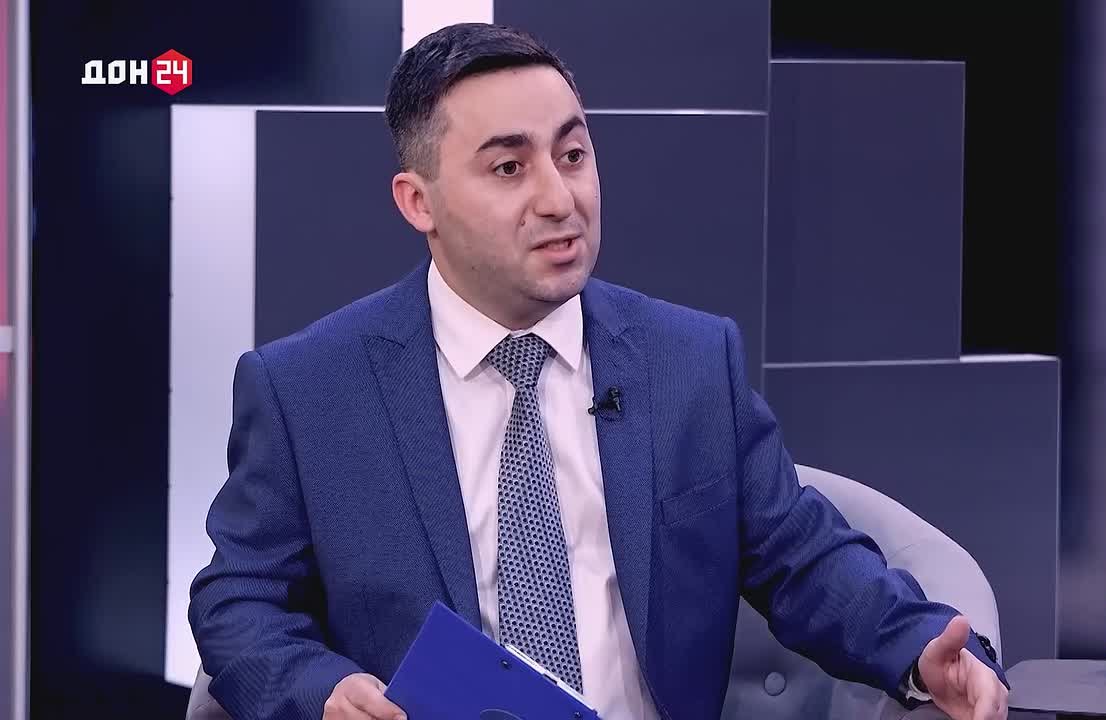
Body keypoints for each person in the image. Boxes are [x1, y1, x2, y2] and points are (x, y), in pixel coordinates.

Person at [189, 22, 1010, 720]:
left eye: (573, 154)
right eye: (509, 168)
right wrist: (322, 691)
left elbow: (803, 557)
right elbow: (237, 599)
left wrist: (919, 648)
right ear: (418, 201)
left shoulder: (689, 362)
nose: (560, 198)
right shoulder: (309, 390)